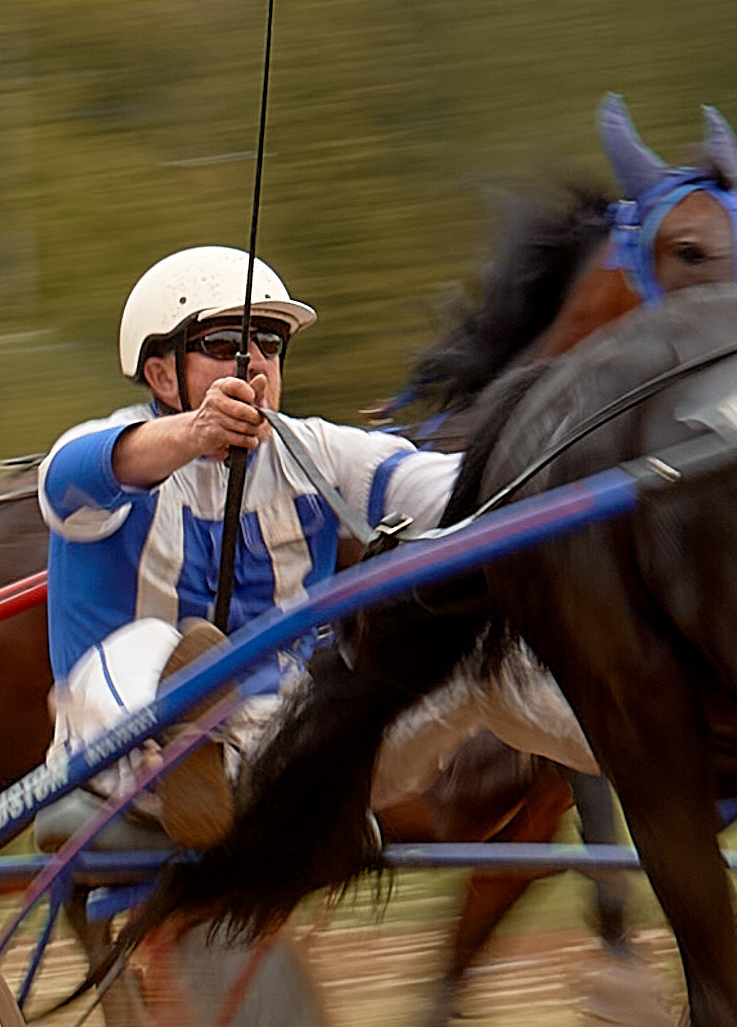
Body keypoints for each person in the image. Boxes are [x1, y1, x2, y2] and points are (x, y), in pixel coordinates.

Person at [39, 245, 513, 844]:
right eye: (223, 346)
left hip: (288, 734)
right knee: (154, 646)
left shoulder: (320, 452)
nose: (256, 364)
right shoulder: (108, 446)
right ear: (160, 373)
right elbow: (65, 479)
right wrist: (196, 433)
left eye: (269, 343)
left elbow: (448, 488)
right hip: (110, 742)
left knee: (482, 662)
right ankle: (185, 750)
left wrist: (559, 461)